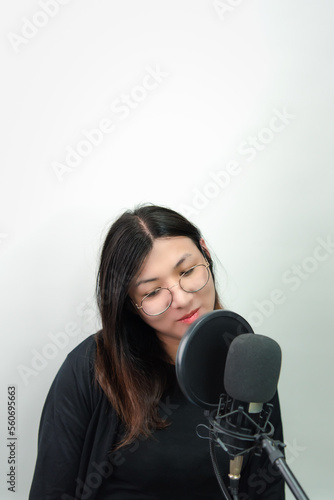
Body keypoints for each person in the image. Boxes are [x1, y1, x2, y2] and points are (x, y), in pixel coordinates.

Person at [29, 204, 285, 500]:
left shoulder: (246, 361)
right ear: (129, 304)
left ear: (206, 253)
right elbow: (50, 491)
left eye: (187, 271)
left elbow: (267, 488)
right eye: (152, 292)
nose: (181, 298)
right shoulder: (91, 368)